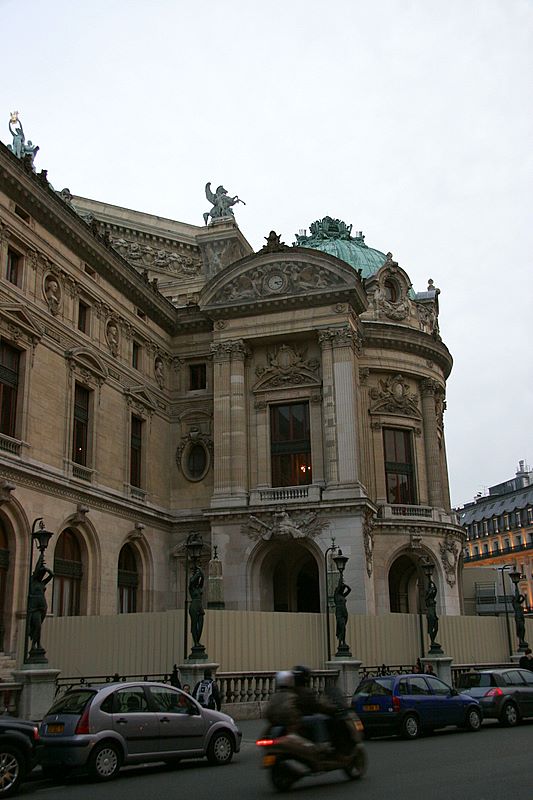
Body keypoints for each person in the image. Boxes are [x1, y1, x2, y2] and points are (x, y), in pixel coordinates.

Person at [27, 554, 53, 652]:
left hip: (42, 608)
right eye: (40, 574)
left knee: (38, 627)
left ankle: (37, 644)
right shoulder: (32, 582)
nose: (41, 575)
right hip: (34, 608)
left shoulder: (42, 583)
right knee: (37, 626)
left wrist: (46, 569)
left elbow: (52, 575)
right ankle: (34, 645)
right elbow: (36, 570)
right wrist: (40, 560)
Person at [188, 563, 205, 646]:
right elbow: (192, 581)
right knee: (194, 625)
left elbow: (203, 577)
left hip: (200, 606)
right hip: (194, 606)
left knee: (201, 626)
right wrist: (197, 574)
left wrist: (199, 569)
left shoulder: (199, 587)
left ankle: (197, 640)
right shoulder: (191, 588)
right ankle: (196, 642)